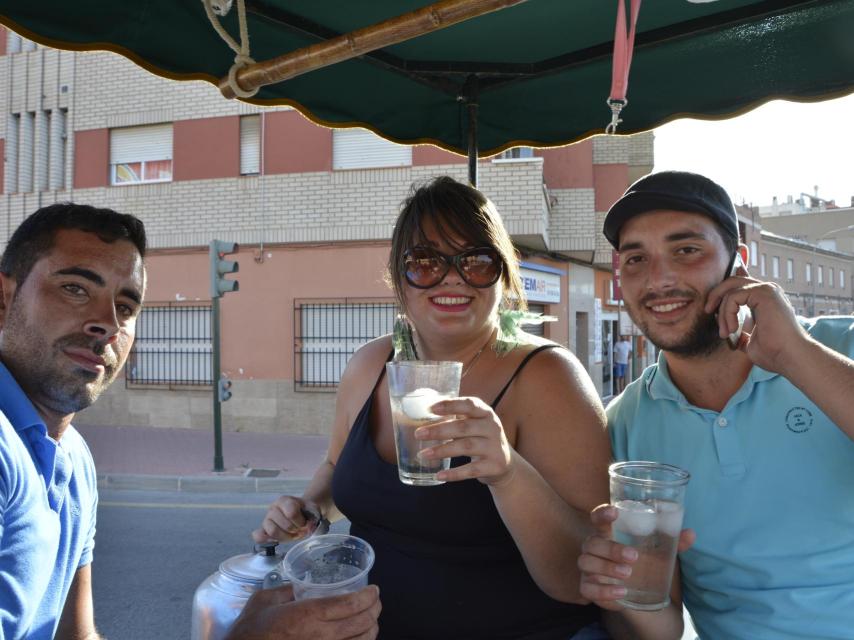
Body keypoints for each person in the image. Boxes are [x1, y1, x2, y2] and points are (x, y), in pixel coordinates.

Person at [0, 203, 380, 640]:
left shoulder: (73, 458)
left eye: (125, 308)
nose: (105, 323)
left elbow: (76, 635)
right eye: (75, 289)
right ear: (4, 298)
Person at [255, 176, 612, 639]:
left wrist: (507, 472)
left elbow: (581, 579)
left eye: (477, 261)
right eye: (425, 262)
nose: (452, 277)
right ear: (398, 277)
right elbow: (334, 463)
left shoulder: (549, 377)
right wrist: (307, 507)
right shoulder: (370, 364)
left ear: (503, 277)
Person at [577, 171, 854, 640]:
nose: (659, 279)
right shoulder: (625, 423)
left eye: (687, 250)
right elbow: (662, 628)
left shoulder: (837, 344)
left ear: (739, 264)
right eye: (636, 258)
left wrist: (795, 356)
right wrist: (621, 588)